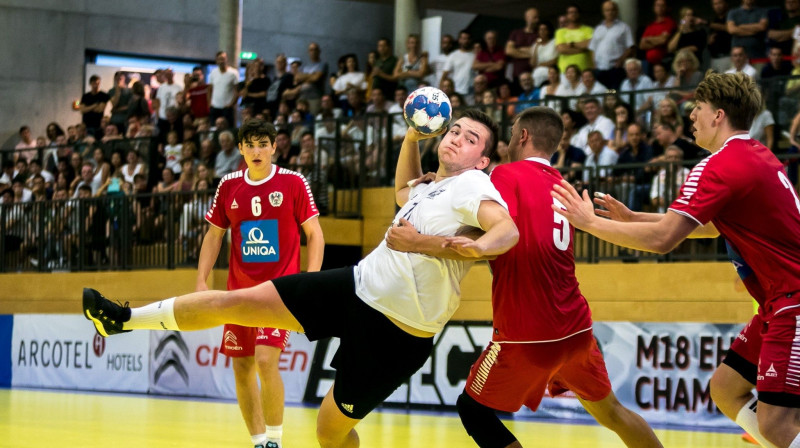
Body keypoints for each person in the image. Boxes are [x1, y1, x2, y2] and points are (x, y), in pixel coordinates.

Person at [83, 109, 519, 448]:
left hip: (396, 332)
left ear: (481, 159)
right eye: (454, 130)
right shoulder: (429, 187)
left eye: (470, 138)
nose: (457, 138)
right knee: (231, 301)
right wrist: (409, 136)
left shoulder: (472, 185)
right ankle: (122, 318)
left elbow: (507, 231)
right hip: (354, 287)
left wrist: (463, 247)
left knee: (329, 433)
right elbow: (403, 190)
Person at [551, 72, 800, 448]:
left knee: (777, 424)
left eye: (697, 109)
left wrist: (590, 223)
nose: (691, 117)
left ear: (718, 115)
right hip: (777, 303)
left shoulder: (718, 164)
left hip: (793, 300)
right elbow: (713, 227)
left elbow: (664, 239)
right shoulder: (755, 155)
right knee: (725, 388)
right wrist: (635, 218)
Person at [391, 107, 663, 448]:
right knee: (612, 413)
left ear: (522, 136)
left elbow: (492, 239)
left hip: (526, 332)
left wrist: (422, 238)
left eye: (509, 135)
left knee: (473, 410)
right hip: (576, 328)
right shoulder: (562, 185)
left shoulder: (506, 176)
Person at [193, 118, 324, 448]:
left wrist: (310, 282)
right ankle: (258, 441)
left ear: (274, 147)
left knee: (266, 360)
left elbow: (315, 234)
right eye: (249, 144)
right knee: (241, 366)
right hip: (239, 293)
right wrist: (201, 279)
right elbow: (213, 235)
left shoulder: (293, 182)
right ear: (240, 149)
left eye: (263, 144)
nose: (256, 150)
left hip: (280, 292)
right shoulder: (228, 186)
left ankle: (275, 442)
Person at [589, 0, 635, 90]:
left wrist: (621, 60)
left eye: (612, 10)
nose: (610, 12)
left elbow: (631, 47)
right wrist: (594, 64)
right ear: (603, 12)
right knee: (602, 95)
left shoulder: (624, 27)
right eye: (607, 10)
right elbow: (593, 48)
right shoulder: (598, 28)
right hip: (600, 69)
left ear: (616, 11)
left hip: (615, 68)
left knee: (614, 94)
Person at [209, 51, 240, 128]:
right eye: (219, 59)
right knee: (213, 128)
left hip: (227, 108)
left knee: (228, 128)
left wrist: (231, 104)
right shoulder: (213, 72)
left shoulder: (233, 73)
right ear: (216, 61)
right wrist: (210, 103)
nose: (221, 61)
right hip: (215, 107)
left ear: (226, 59)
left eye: (223, 59)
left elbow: (237, 91)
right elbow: (209, 89)